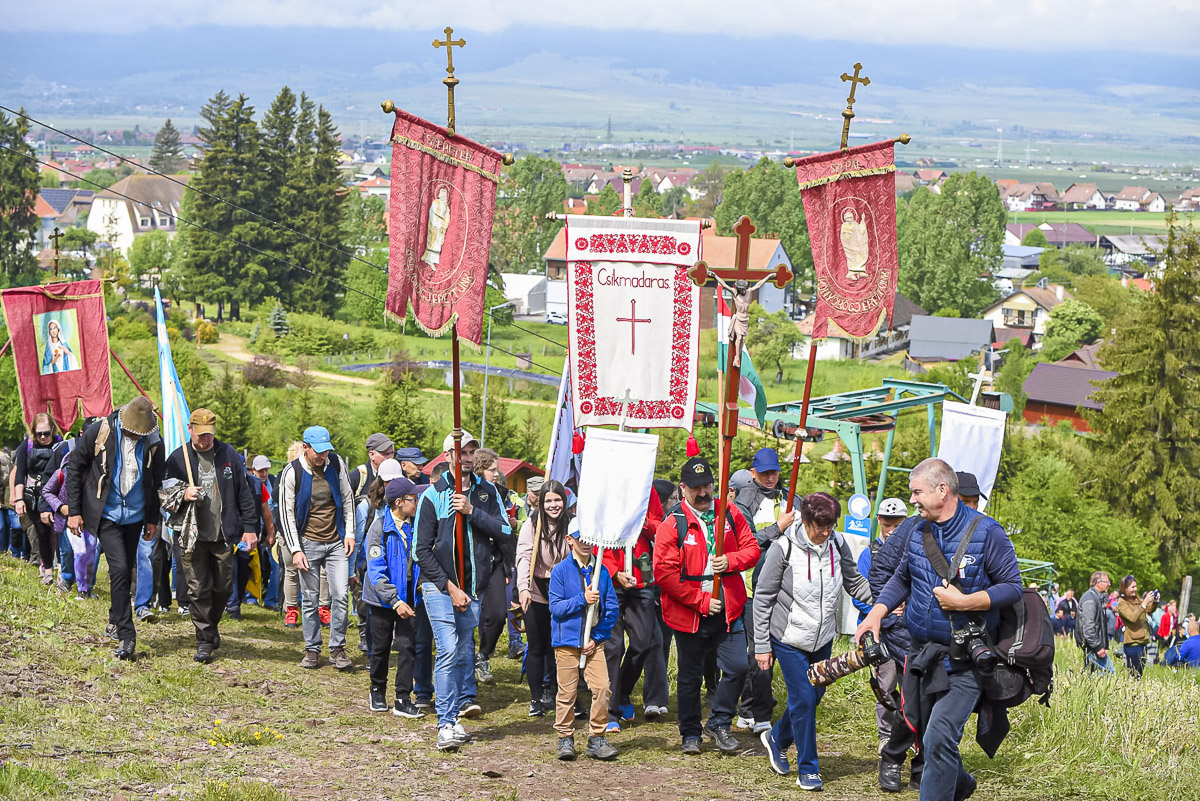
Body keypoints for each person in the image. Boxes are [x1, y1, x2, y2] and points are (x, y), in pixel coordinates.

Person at [857, 458, 1022, 801]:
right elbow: (902, 577)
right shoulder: (917, 531)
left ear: (942, 490)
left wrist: (967, 602)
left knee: (939, 736)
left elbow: (1012, 587)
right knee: (923, 733)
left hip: (965, 661)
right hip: (920, 654)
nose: (912, 500)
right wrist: (876, 614)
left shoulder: (988, 533)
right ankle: (960, 784)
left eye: (917, 492)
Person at [754, 492, 873, 793]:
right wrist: (762, 646)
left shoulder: (838, 543)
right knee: (804, 699)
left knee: (813, 696)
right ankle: (808, 769)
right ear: (805, 520)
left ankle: (777, 738)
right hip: (789, 638)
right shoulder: (783, 548)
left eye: (831, 525)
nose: (826, 532)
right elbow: (763, 598)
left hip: (822, 638)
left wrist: (884, 602)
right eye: (820, 526)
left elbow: (854, 581)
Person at [654, 456, 760, 755]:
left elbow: (752, 548)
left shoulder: (730, 513)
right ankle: (690, 733)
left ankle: (720, 722)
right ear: (683, 488)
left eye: (707, 486)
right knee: (690, 676)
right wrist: (699, 601)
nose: (703, 493)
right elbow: (665, 574)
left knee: (738, 667)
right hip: (689, 614)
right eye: (696, 488)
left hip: (729, 610)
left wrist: (731, 561)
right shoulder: (672, 523)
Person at [414, 430, 510, 751]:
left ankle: (455, 717)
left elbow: (505, 530)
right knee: (448, 649)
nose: (468, 457)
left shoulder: (488, 493)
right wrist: (449, 586)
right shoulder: (433, 496)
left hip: (473, 588)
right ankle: (444, 724)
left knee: (463, 652)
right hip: (439, 587)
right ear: (449, 456)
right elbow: (420, 550)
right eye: (462, 452)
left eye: (471, 452)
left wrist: (472, 512)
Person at [66, 397, 165, 660]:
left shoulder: (154, 441)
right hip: (106, 514)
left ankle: (114, 618)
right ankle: (126, 634)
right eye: (132, 432)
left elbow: (156, 482)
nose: (136, 437)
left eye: (140, 434)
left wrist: (152, 519)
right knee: (120, 568)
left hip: (135, 516)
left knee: (126, 567)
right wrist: (74, 511)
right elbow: (74, 468)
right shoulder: (100, 431)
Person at [165, 409, 258, 663]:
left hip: (223, 535)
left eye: (209, 434)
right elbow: (163, 494)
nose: (205, 439)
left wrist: (250, 527)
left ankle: (211, 624)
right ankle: (204, 640)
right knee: (198, 589)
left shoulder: (229, 455)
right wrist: (183, 494)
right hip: (192, 536)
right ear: (190, 429)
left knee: (224, 588)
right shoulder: (178, 459)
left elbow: (244, 493)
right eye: (200, 434)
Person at [278, 426, 357, 671]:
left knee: (340, 595)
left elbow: (348, 499)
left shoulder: (336, 464)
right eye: (318, 452)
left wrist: (350, 533)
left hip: (335, 541)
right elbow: (286, 513)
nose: (323, 456)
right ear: (305, 447)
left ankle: (337, 647)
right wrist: (295, 549)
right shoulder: (292, 472)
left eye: (326, 451)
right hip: (307, 542)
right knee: (310, 599)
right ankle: (312, 648)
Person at [733, 450, 796, 734]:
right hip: (752, 588)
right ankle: (758, 713)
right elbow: (746, 542)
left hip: (784, 588)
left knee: (772, 652)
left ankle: (749, 708)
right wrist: (777, 528)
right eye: (765, 472)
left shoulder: (790, 498)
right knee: (758, 652)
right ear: (753, 472)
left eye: (774, 472)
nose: (771, 477)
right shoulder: (743, 501)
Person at [549, 520, 620, 762]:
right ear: (570, 540)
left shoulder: (602, 571)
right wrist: (583, 598)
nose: (586, 543)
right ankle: (565, 737)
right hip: (566, 643)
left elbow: (611, 610)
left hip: (593, 643)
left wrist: (596, 637)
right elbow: (556, 608)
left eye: (590, 539)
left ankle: (597, 737)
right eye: (581, 538)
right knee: (567, 693)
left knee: (602, 688)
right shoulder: (560, 571)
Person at [601, 481, 665, 732]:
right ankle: (610, 711)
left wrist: (642, 520)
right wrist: (613, 572)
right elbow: (595, 537)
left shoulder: (646, 487)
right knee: (613, 646)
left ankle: (623, 692)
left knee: (643, 643)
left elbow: (658, 528)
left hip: (641, 579)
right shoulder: (605, 487)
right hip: (612, 579)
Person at [868, 508, 923, 793]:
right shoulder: (912, 527)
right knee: (910, 704)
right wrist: (889, 613)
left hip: (950, 639)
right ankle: (892, 757)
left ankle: (924, 767)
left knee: (939, 708)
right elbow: (880, 572)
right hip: (908, 637)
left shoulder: (979, 530)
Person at [364, 476, 424, 718]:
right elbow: (375, 570)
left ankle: (402, 698)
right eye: (413, 499)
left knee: (408, 646)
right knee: (380, 647)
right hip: (382, 599)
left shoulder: (416, 526)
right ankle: (377, 689)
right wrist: (394, 600)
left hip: (409, 596)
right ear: (399, 502)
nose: (417, 502)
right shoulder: (379, 528)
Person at [859, 499, 911, 767]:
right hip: (883, 634)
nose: (891, 531)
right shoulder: (868, 554)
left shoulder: (911, 551)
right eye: (888, 524)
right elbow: (859, 594)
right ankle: (886, 735)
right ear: (879, 520)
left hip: (909, 632)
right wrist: (882, 611)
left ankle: (910, 733)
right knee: (885, 686)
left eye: (898, 526)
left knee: (911, 688)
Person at [517, 478, 574, 717]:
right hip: (537, 589)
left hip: (564, 592)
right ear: (541, 502)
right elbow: (524, 557)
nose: (553, 505)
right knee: (537, 645)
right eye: (548, 500)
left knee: (561, 646)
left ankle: (562, 693)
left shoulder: (572, 523)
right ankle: (536, 697)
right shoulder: (532, 524)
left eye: (557, 500)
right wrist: (523, 588)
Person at [471, 448, 516, 687]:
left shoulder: (498, 494)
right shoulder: (469, 492)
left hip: (495, 560)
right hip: (472, 561)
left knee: (498, 614)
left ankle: (484, 655)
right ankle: (465, 660)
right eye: (492, 470)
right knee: (470, 616)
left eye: (496, 469)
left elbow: (504, 531)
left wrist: (507, 566)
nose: (497, 474)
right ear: (479, 470)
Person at [41, 448, 100, 598]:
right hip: (66, 520)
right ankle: (67, 580)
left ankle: (88, 587)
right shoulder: (61, 472)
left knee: (91, 552)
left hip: (90, 521)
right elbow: (47, 491)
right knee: (67, 552)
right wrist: (60, 507)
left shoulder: (97, 474)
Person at [14, 413, 61, 584]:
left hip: (57, 495)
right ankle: (47, 570)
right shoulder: (26, 446)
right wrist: (18, 499)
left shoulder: (60, 445)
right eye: (39, 433)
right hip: (35, 496)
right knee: (43, 534)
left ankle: (63, 571)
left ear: (53, 430)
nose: (43, 437)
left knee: (59, 534)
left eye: (46, 433)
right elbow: (19, 475)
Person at [1115, 575, 1158, 678]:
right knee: (1134, 674)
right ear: (1125, 588)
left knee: (1139, 673)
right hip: (1132, 643)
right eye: (1132, 587)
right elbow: (1132, 617)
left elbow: (1148, 609)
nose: (1135, 589)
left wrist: (1155, 601)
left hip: (1142, 641)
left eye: (1136, 586)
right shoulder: (1122, 603)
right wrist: (1144, 603)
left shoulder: (1136, 599)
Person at [1076, 571, 1115, 674]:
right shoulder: (1090, 600)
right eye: (1107, 582)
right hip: (1092, 647)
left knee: (1094, 676)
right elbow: (1088, 628)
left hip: (1093, 646)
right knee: (1109, 673)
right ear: (1098, 583)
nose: (1109, 584)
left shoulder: (1096, 598)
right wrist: (1098, 647)